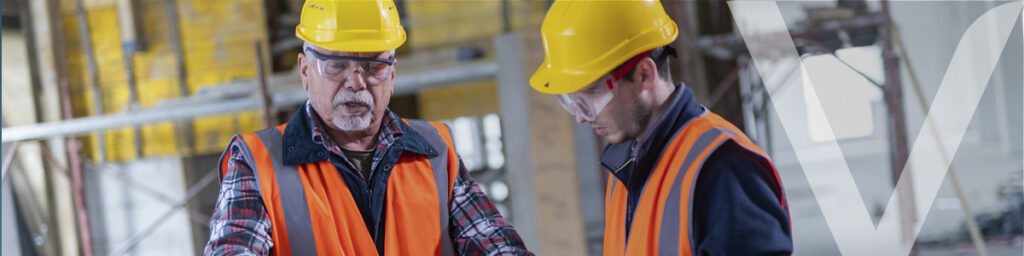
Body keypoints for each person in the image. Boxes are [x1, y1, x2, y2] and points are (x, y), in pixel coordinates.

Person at [205, 1, 530, 255]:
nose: (357, 82)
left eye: (374, 65)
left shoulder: (436, 151)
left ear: (392, 73)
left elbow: (492, 241)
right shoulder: (258, 163)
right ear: (305, 70)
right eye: (336, 65)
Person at [529, 0, 793, 255]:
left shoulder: (724, 166)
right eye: (571, 101)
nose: (581, 117)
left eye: (592, 94)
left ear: (644, 74)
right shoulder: (624, 165)